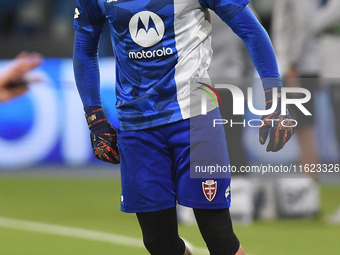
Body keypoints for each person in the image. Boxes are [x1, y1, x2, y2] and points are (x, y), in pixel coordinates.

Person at [73, 0, 294, 254]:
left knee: (219, 236)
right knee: (158, 243)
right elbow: (84, 48)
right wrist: (95, 119)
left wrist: (275, 98)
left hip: (196, 118)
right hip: (137, 126)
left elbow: (251, 30)